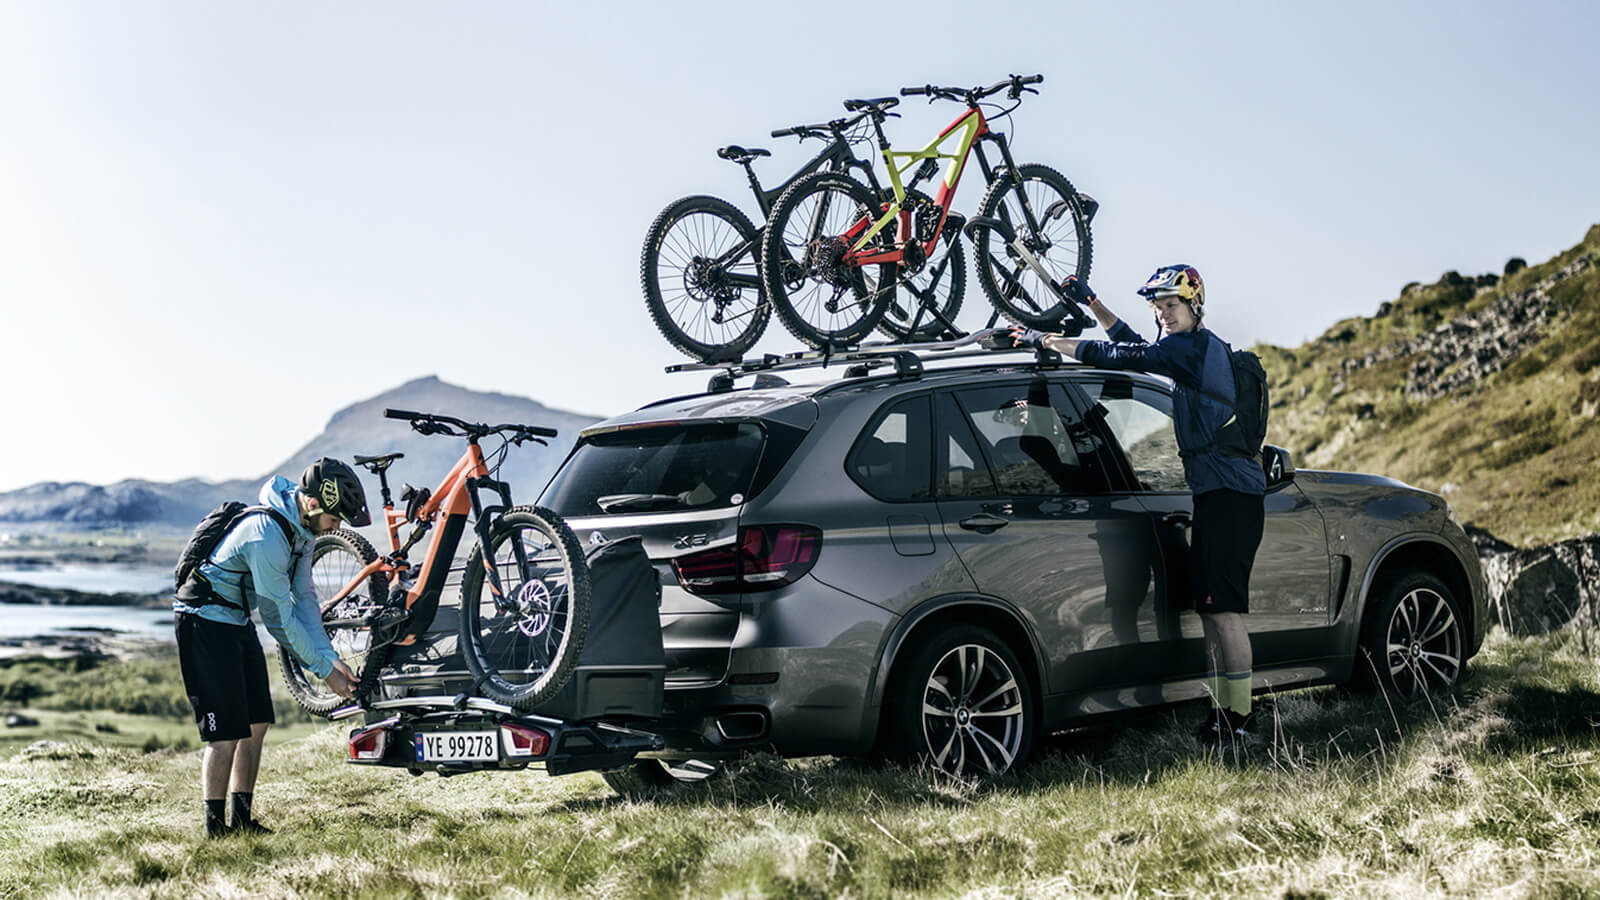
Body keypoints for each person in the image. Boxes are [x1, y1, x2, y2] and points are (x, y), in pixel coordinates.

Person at [1012, 265, 1267, 745]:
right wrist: (1092, 303)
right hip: (1219, 496)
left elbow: (1117, 354)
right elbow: (1134, 346)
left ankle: (1239, 719)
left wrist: (1045, 341)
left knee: (1225, 612)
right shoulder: (1185, 350)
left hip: (1231, 497)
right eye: (1158, 308)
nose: (1164, 314)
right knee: (1213, 613)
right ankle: (1223, 716)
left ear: (1194, 305)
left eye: (1171, 306)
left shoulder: (1192, 349)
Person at [173, 458, 371, 836]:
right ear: (312, 505)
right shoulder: (266, 536)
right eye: (335, 519)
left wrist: (330, 658)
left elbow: (306, 599)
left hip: (234, 619)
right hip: (203, 623)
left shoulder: (302, 534)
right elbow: (279, 619)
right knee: (225, 733)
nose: (338, 527)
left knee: (256, 723)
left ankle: (243, 822)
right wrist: (326, 673)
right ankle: (216, 832)